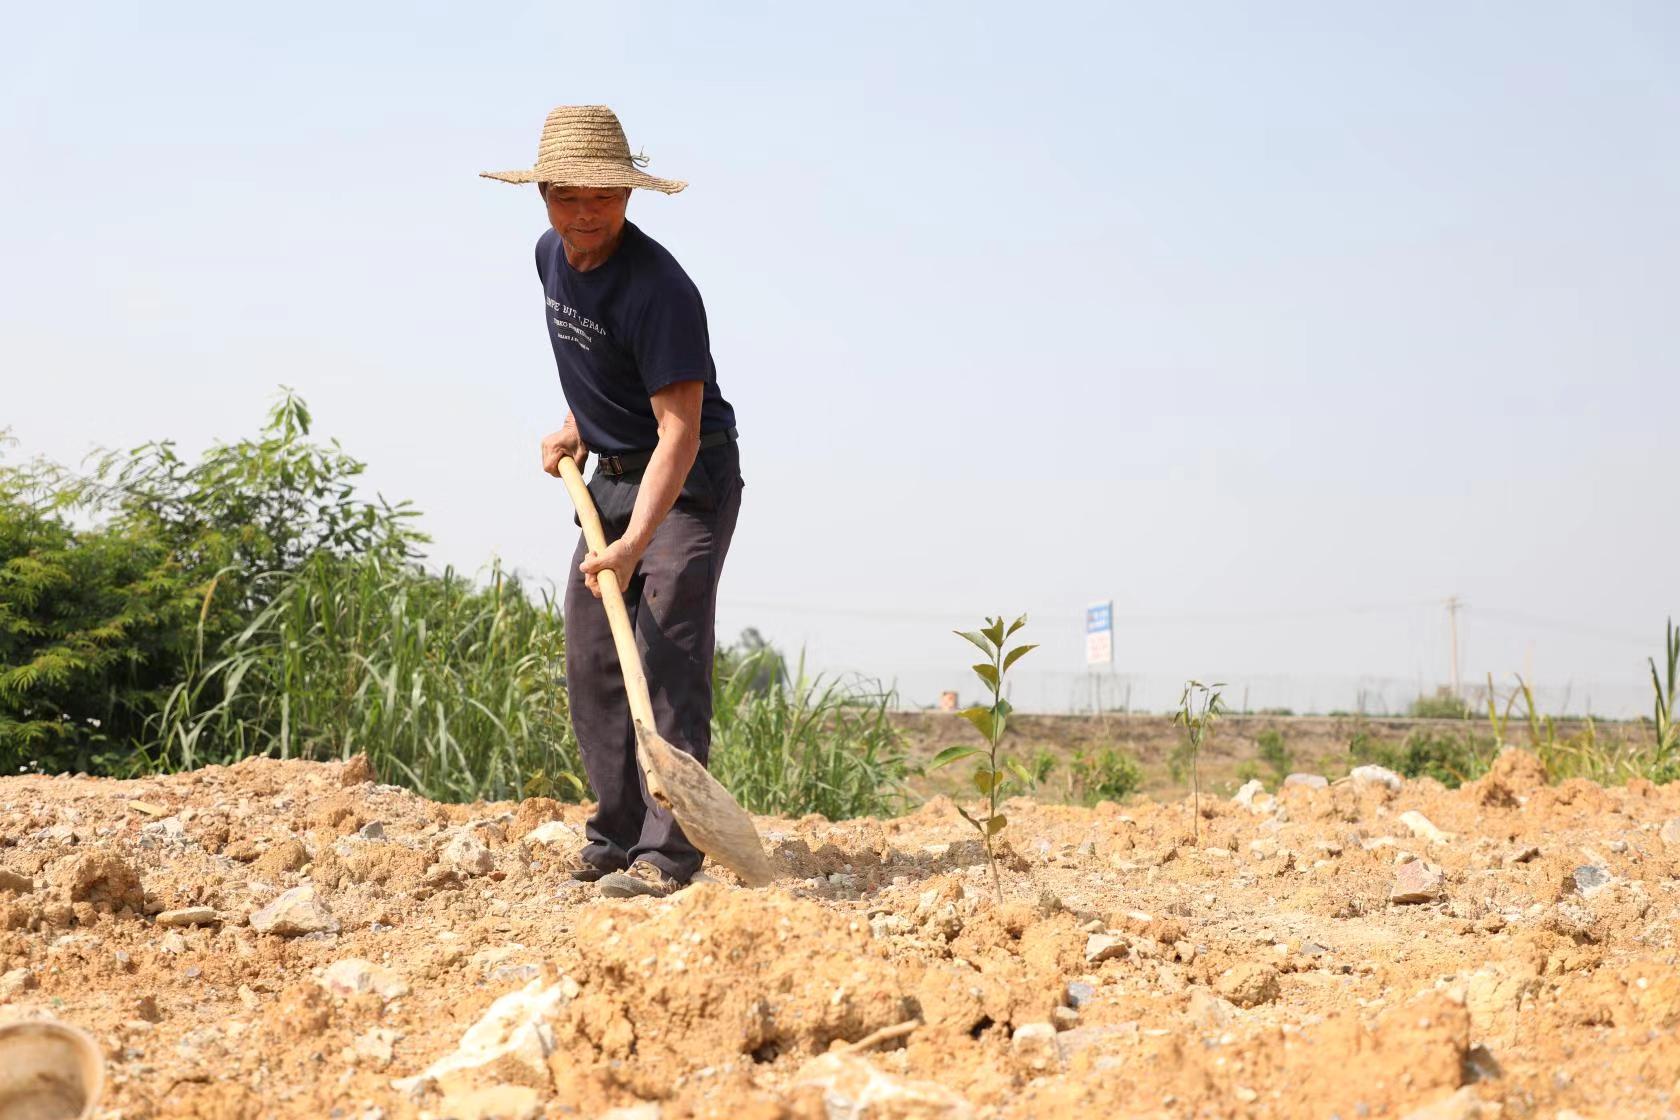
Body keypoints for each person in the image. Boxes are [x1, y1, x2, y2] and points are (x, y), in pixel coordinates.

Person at [482, 105, 742, 899]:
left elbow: (681, 431)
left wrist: (635, 546)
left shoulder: (661, 289)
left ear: (629, 195)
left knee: (663, 649)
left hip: (687, 482)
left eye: (604, 197)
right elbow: (597, 366)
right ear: (544, 198)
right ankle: (617, 830)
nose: (586, 214)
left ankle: (669, 853)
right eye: (569, 198)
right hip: (614, 476)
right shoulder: (548, 258)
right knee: (594, 653)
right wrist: (576, 426)